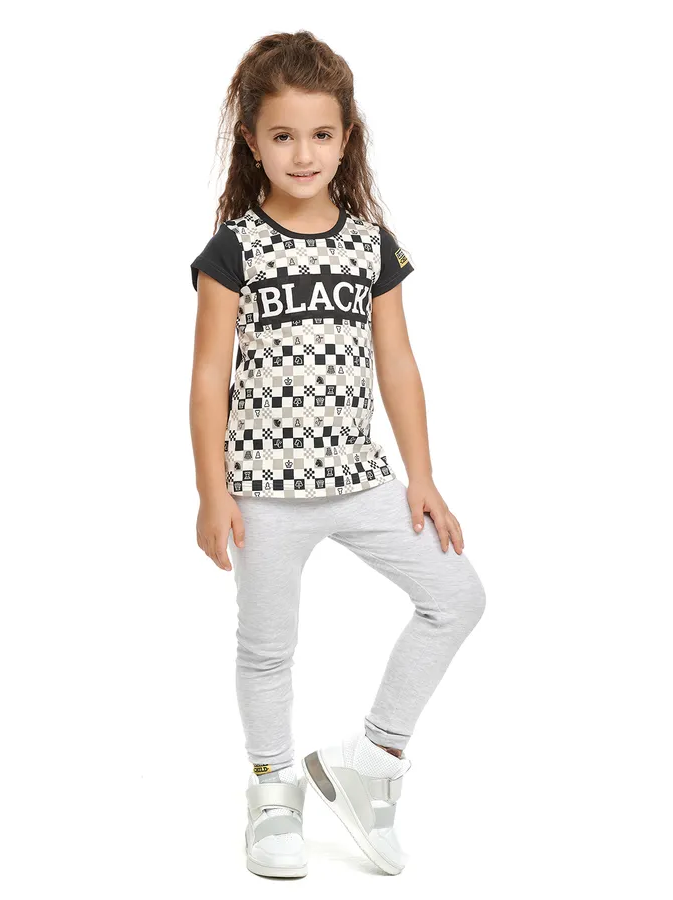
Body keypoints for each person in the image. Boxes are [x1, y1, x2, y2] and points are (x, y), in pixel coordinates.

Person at [189, 30, 486, 879]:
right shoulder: (234, 250)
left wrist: (421, 479)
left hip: (359, 481)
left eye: (321, 134)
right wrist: (212, 491)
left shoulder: (371, 245)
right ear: (252, 141)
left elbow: (398, 362)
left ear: (346, 137)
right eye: (283, 135)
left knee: (456, 596)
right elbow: (208, 376)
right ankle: (273, 793)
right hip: (263, 491)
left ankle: (373, 759)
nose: (303, 153)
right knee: (267, 648)